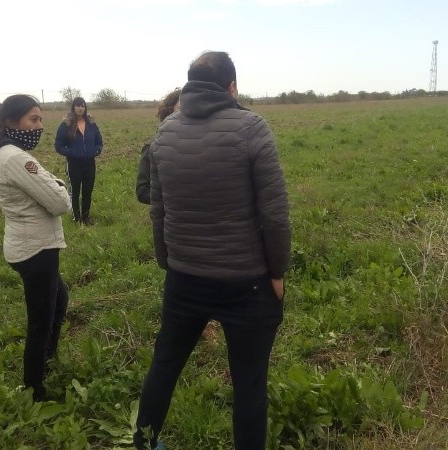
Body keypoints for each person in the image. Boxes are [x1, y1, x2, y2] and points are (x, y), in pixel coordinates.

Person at [134, 51, 291, 450]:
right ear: (231, 86)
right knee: (250, 384)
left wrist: (167, 262)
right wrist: (277, 272)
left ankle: (144, 441)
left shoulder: (165, 132)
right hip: (247, 282)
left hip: (184, 278)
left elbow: (158, 209)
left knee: (165, 365)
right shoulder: (252, 127)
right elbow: (274, 214)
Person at [0, 94, 71, 401]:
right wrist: (59, 186)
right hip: (36, 248)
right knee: (41, 319)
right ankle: (34, 387)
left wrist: (53, 184)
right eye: (33, 119)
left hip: (26, 243)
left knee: (60, 298)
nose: (39, 126)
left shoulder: (5, 152)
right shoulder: (15, 158)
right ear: (12, 122)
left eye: (41, 119)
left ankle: (48, 358)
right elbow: (60, 203)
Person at [54, 97, 103, 224]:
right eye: (77, 105)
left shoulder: (91, 124)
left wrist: (96, 150)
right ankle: (76, 218)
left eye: (82, 106)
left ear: (85, 108)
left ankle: (86, 217)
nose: (80, 108)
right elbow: (58, 146)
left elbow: (99, 141)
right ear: (73, 107)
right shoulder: (66, 124)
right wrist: (73, 153)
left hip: (89, 163)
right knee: (74, 192)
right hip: (74, 164)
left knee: (87, 191)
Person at [136, 88, 180, 204]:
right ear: (169, 111)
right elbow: (142, 191)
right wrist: (173, 200)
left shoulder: (199, 145)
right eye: (180, 109)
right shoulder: (152, 146)